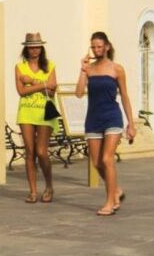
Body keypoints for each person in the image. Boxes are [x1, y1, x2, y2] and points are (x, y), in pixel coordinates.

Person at [73, 31, 135, 216]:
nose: (96, 50)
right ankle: (116, 190)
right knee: (97, 163)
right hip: (93, 118)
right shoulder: (89, 69)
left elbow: (124, 96)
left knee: (107, 159)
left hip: (112, 117)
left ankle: (110, 202)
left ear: (107, 47)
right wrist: (83, 69)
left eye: (99, 46)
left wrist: (131, 123)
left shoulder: (117, 69)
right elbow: (78, 93)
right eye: (93, 47)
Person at [12, 32, 60, 202]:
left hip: (45, 112)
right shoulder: (20, 67)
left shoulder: (50, 66)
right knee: (30, 151)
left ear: (42, 48)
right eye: (32, 47)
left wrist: (32, 82)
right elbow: (21, 91)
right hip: (26, 112)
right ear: (26, 48)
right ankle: (32, 191)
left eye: (38, 47)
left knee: (41, 151)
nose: (35, 50)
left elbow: (53, 90)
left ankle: (49, 185)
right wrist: (43, 84)